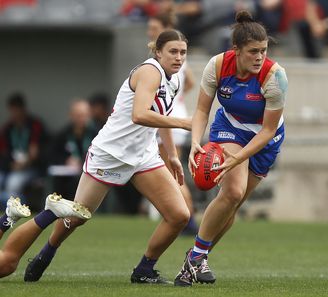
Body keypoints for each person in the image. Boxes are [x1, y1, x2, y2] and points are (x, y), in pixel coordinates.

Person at [0, 29, 192, 284]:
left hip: (143, 156)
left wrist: (172, 155)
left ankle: (144, 269)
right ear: (158, 52)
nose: (178, 57)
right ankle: (47, 252)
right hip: (111, 154)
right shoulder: (150, 72)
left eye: (183, 52)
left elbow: (162, 119)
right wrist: (184, 123)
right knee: (78, 216)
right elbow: (140, 114)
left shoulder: (174, 79)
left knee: (179, 215)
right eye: (173, 51)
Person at [174, 10, 287, 286]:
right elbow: (202, 110)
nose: (260, 57)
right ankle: (198, 258)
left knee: (232, 204)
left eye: (263, 50)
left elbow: (268, 130)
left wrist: (238, 159)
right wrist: (195, 144)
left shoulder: (275, 77)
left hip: (264, 139)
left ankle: (196, 259)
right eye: (253, 51)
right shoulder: (216, 65)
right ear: (235, 50)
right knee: (232, 191)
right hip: (230, 127)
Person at [147, 10, 198, 235]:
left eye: (154, 29)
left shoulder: (165, 59)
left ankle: (189, 220)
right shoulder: (177, 59)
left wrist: (174, 102)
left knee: (172, 173)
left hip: (168, 120)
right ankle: (185, 218)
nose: (151, 33)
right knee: (170, 171)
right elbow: (190, 82)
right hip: (173, 117)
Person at [0, 93, 47, 207]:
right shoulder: (8, 128)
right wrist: (11, 164)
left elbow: (35, 152)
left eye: (17, 110)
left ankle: (18, 210)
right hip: (11, 167)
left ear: (23, 109)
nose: (15, 113)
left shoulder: (35, 125)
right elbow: (4, 152)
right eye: (12, 110)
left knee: (14, 183)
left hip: (31, 168)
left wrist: (27, 162)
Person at [49, 99, 97, 199]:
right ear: (71, 115)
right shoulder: (63, 134)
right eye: (78, 115)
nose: (82, 119)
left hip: (90, 172)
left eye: (85, 115)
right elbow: (52, 155)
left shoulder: (96, 133)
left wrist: (82, 161)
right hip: (66, 175)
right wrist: (66, 160)